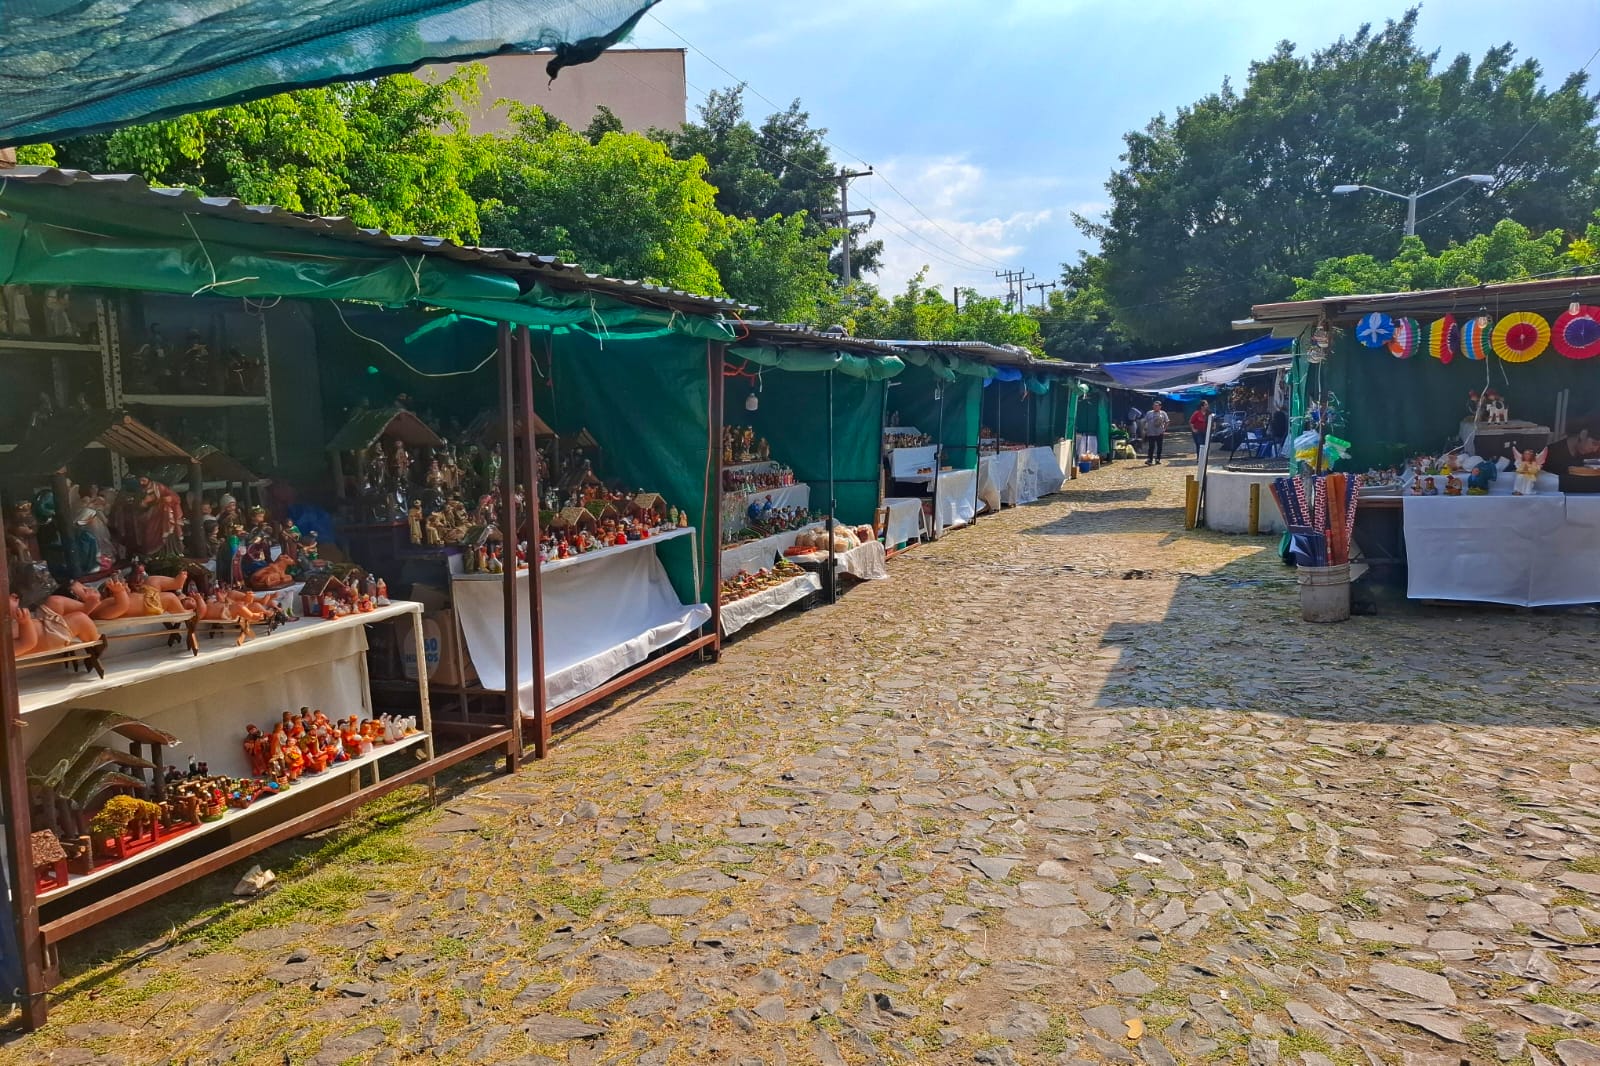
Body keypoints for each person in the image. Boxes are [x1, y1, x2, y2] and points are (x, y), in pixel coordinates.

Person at [1142, 401, 1170, 465]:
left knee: (1159, 446)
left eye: (1157, 406)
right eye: (1154, 406)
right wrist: (1145, 428)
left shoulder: (1163, 413)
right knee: (1151, 446)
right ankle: (1149, 459)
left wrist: (1164, 429)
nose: (1155, 407)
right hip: (1151, 432)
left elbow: (1167, 421)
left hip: (1159, 432)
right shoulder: (1149, 413)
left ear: (1160, 407)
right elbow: (1145, 421)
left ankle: (1158, 459)